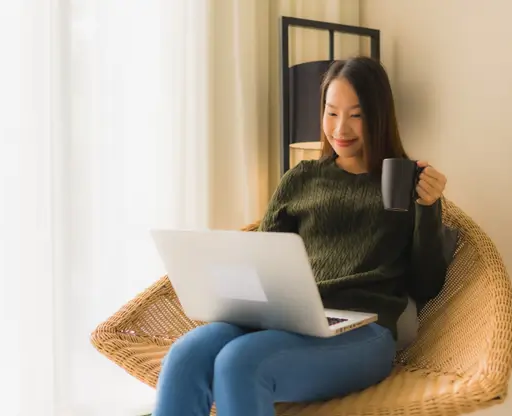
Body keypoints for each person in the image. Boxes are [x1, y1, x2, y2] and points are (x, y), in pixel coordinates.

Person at [151, 56, 449, 416]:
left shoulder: (404, 185)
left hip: (363, 333)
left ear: (379, 115)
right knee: (185, 357)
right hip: (290, 320)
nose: (340, 128)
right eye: (331, 111)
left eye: (356, 114)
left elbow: (426, 284)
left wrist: (429, 207)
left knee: (240, 362)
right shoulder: (301, 178)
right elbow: (260, 263)